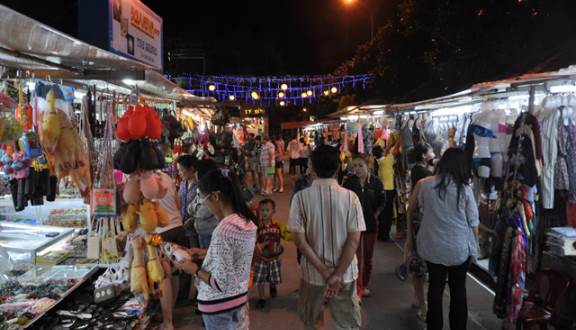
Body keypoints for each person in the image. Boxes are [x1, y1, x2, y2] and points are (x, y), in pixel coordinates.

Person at [288, 145, 365, 330]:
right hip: (345, 275)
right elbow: (354, 240)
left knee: (313, 322)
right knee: (347, 324)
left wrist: (324, 272)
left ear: (311, 166)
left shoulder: (300, 198)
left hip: (313, 275)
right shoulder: (351, 198)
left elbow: (300, 241)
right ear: (338, 168)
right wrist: (336, 274)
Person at [406, 148, 479, 330]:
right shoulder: (465, 190)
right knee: (458, 290)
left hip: (432, 247)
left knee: (435, 289)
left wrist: (410, 239)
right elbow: (473, 223)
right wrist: (475, 248)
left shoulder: (426, 185)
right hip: (458, 249)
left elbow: (418, 209)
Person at [175, 170, 258, 330]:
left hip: (219, 305)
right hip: (239, 299)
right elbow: (238, 253)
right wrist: (206, 252)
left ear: (216, 197)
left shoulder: (223, 230)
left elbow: (220, 283)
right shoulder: (246, 221)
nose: (204, 204)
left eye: (203, 199)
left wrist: (193, 269)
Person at [343, 155, 386, 299]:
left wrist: (375, 214)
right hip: (353, 226)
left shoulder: (376, 183)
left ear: (368, 165)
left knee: (368, 258)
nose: (357, 169)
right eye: (354, 166)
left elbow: (382, 202)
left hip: (370, 226)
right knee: (356, 259)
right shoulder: (349, 183)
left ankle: (364, 285)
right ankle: (358, 290)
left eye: (360, 165)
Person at [403, 143, 435, 320]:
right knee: (421, 263)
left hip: (417, 218)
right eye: (430, 151)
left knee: (418, 264)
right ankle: (423, 305)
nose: (433, 153)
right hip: (422, 220)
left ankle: (418, 299)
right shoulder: (425, 175)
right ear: (424, 155)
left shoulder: (417, 170)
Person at [254, 198, 292, 309]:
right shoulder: (257, 227)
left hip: (274, 257)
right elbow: (253, 241)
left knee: (273, 277)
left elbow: (287, 235)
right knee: (260, 279)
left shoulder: (278, 226)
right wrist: (258, 246)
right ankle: (261, 298)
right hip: (261, 258)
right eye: (262, 210)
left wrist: (294, 236)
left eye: (267, 210)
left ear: (273, 211)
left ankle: (272, 286)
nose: (265, 213)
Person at [187, 159, 219, 249]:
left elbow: (203, 213)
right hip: (202, 232)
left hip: (211, 232)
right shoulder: (201, 188)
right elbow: (189, 208)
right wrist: (198, 206)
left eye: (196, 171)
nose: (195, 174)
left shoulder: (212, 188)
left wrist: (196, 208)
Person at [176, 155, 199, 248]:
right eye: (178, 170)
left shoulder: (200, 184)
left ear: (191, 168)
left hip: (196, 229)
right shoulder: (182, 184)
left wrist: (192, 220)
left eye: (181, 170)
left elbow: (203, 206)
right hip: (182, 228)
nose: (179, 173)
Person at [375, 140, 396, 241]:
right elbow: (392, 151)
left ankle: (381, 234)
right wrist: (392, 143)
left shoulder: (378, 161)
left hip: (381, 190)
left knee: (382, 213)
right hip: (388, 189)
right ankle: (385, 235)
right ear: (382, 152)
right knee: (387, 214)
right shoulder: (387, 161)